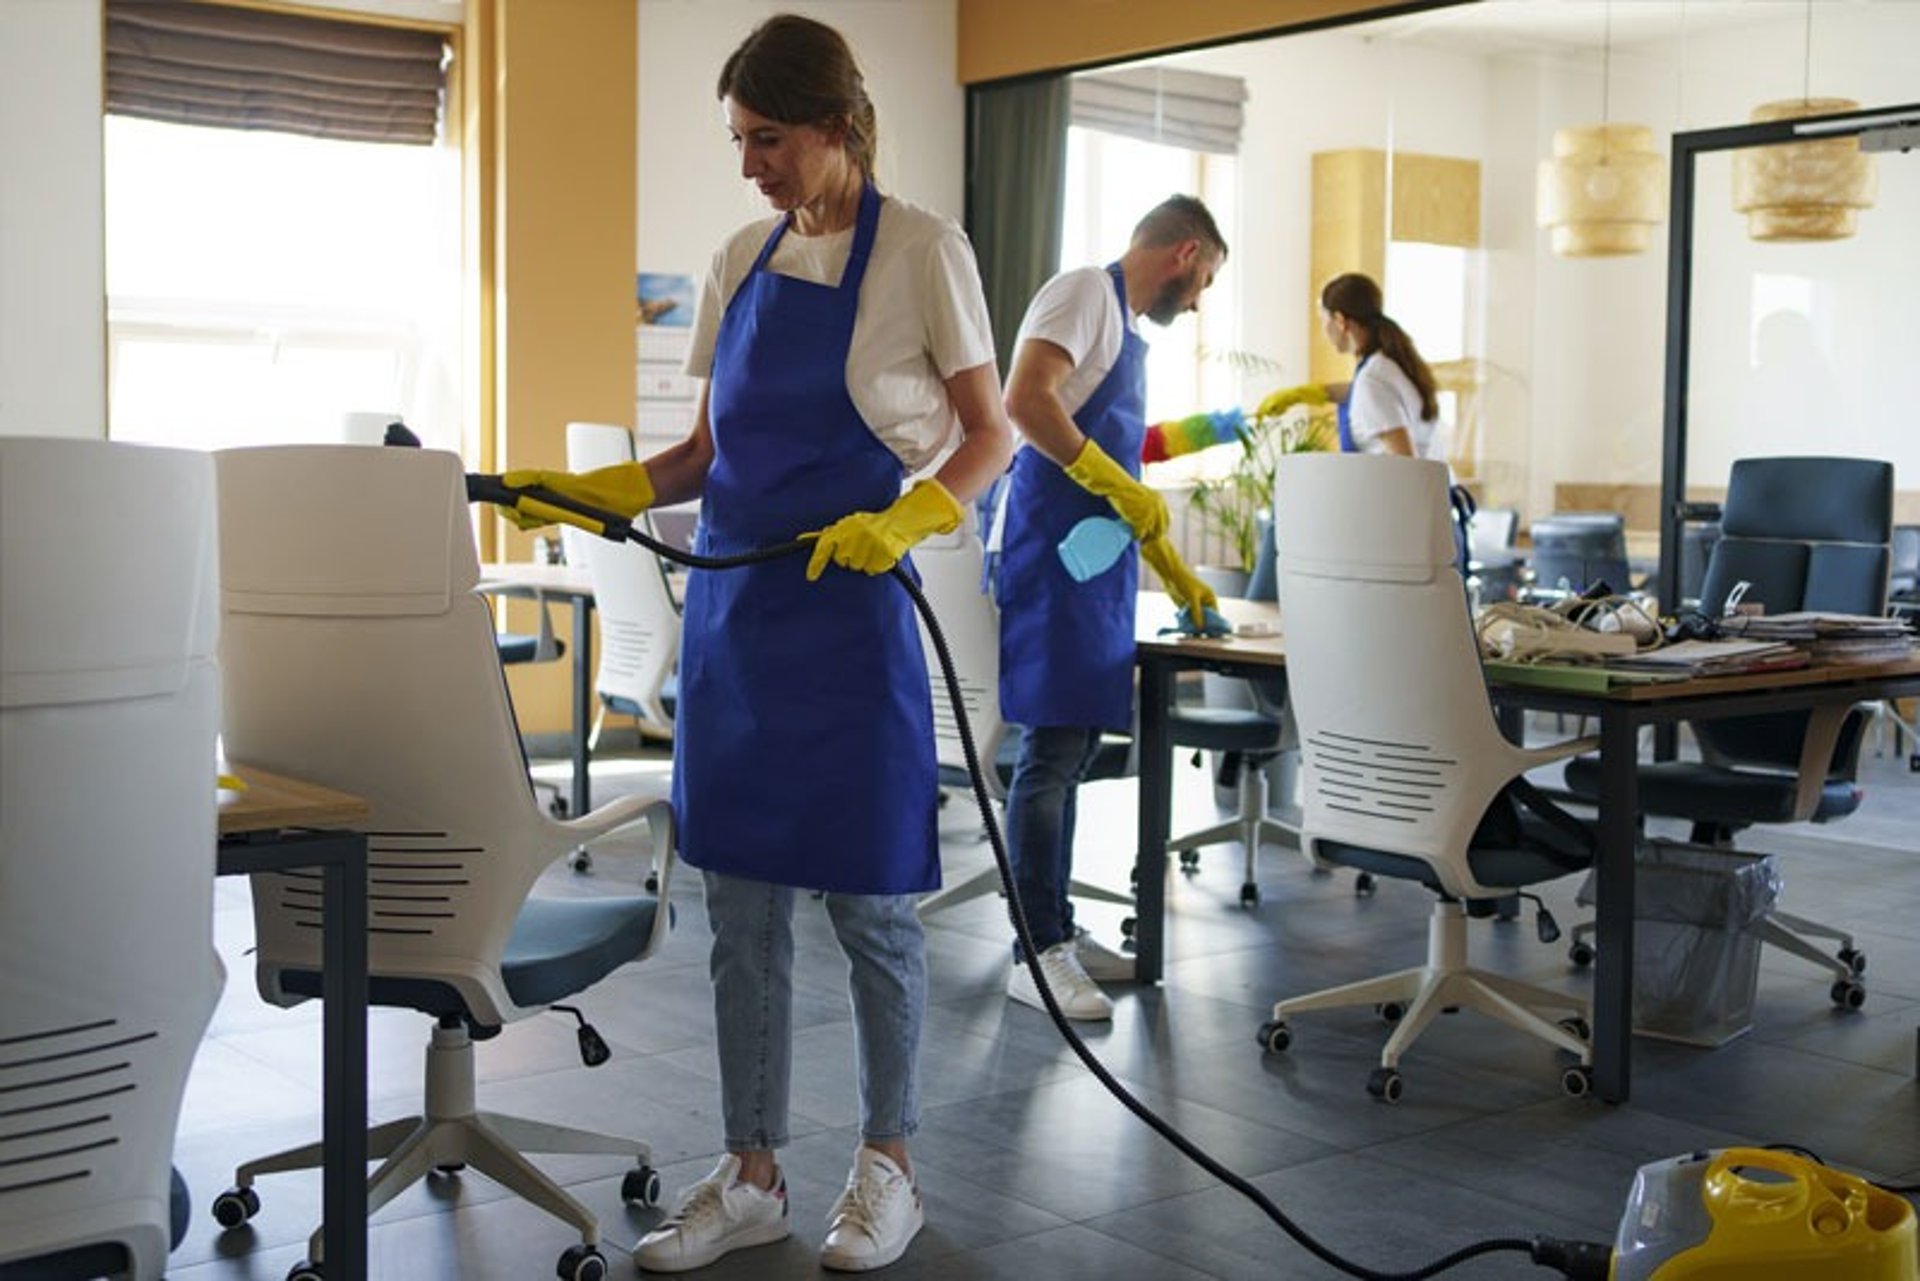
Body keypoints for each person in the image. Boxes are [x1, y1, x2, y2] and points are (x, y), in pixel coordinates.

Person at [500, 13, 1012, 1274]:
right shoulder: (739, 255)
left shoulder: (928, 254)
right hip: (738, 628)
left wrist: (909, 522)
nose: (750, 167)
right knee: (740, 916)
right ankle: (753, 1174)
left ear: (836, 126)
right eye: (738, 140)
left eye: (767, 139)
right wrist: (582, 493)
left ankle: (888, 1167)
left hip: (854, 623)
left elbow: (991, 434)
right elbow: (698, 457)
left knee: (875, 911)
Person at [994, 195, 1226, 1021]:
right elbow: (1026, 401)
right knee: (1050, 754)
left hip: (1092, 567)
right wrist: (1111, 480)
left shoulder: (1120, 325)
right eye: (1205, 281)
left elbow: (1122, 449)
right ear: (1185, 250)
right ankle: (1036, 950)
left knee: (1076, 746)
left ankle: (1054, 928)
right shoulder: (1083, 293)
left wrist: (1174, 566)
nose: (1198, 300)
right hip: (1053, 559)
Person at [1317, 271, 1441, 458]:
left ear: (1340, 321)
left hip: (1402, 486)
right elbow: (1360, 392)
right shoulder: (1387, 365)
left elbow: (1404, 463)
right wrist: (1313, 393)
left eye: (1323, 321)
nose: (1323, 331)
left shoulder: (1372, 380)